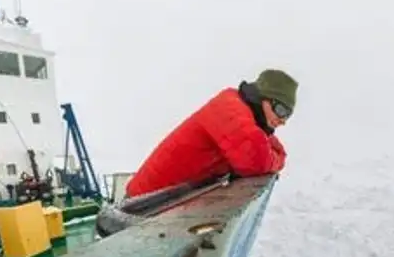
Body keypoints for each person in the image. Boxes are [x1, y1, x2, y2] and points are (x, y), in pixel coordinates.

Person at [124, 69, 297, 198]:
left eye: (288, 115)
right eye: (281, 110)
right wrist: (275, 157)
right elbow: (257, 162)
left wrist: (273, 154)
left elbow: (274, 150)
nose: (283, 120)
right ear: (263, 98)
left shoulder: (244, 113)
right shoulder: (231, 111)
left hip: (166, 199)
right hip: (141, 205)